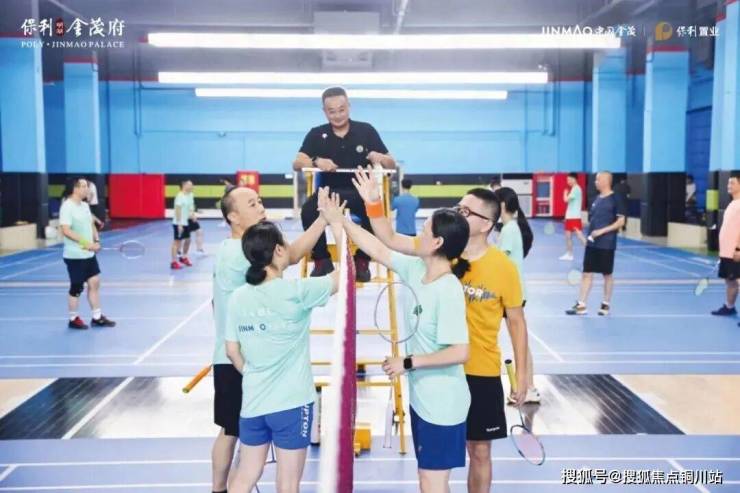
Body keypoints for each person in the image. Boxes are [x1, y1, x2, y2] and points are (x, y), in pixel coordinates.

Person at [338, 168, 488, 493]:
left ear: (437, 243)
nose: (418, 233)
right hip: (423, 400)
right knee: (427, 480)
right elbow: (379, 248)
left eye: (424, 229)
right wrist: (342, 221)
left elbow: (460, 351)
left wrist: (407, 362)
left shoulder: (448, 290)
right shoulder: (417, 267)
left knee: (433, 483)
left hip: (443, 404)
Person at [211, 186, 335, 493]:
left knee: (237, 440)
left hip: (246, 357)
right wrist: (328, 221)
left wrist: (322, 220)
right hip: (244, 362)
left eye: (260, 201)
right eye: (251, 204)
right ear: (233, 217)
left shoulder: (238, 256)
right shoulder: (240, 253)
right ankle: (218, 488)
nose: (260, 207)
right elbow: (290, 255)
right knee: (230, 433)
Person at [292, 86, 396, 282]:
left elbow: (391, 164)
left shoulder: (366, 131)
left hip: (361, 191)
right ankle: (322, 260)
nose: (338, 115)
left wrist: (381, 158)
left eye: (342, 109)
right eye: (332, 111)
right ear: (324, 111)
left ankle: (362, 261)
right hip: (328, 193)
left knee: (375, 214)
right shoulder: (316, 134)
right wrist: (316, 161)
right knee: (308, 211)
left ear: (349, 106)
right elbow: (297, 163)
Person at [493, 187, 540, 406]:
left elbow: (499, 262)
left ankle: (529, 388)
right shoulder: (509, 228)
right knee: (519, 342)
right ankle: (527, 387)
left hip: (513, 294)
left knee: (520, 343)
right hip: (512, 293)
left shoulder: (510, 229)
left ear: (502, 205)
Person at [565, 172, 626, 316]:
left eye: (598, 179)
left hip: (606, 243)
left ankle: (605, 304)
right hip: (592, 244)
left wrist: (602, 231)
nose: (595, 182)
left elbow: (620, 222)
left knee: (607, 274)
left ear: (606, 181)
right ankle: (581, 305)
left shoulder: (616, 198)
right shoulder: (596, 199)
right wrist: (584, 236)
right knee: (586, 273)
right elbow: (594, 221)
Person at [59, 177, 115, 330]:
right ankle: (73, 318)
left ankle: (97, 317)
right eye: (83, 186)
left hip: (88, 254)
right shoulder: (67, 207)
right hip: (75, 255)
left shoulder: (84, 205)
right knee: (77, 287)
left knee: (94, 282)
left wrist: (96, 240)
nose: (87, 189)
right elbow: (66, 231)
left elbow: (91, 223)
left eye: (87, 186)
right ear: (75, 189)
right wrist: (87, 243)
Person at [711, 172, 740, 321]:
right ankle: (729, 307)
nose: (729, 185)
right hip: (727, 252)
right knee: (730, 281)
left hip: (736, 252)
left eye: (732, 183)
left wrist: (738, 249)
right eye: (728, 183)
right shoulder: (732, 203)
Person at [560, 173, 586, 261]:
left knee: (579, 235)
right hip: (570, 217)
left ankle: (591, 252)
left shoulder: (576, 189)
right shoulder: (574, 189)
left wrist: (565, 193)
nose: (568, 182)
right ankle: (569, 254)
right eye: (567, 180)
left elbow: (566, 200)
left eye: (569, 179)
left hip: (574, 217)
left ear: (574, 179)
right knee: (568, 236)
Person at [171, 180, 194, 269]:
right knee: (177, 242)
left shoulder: (190, 195)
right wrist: (179, 224)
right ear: (184, 185)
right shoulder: (179, 196)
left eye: (192, 185)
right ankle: (173, 262)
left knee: (188, 240)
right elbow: (178, 210)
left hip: (186, 222)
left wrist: (192, 214)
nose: (192, 186)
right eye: (190, 185)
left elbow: (190, 207)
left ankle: (184, 257)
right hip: (178, 222)